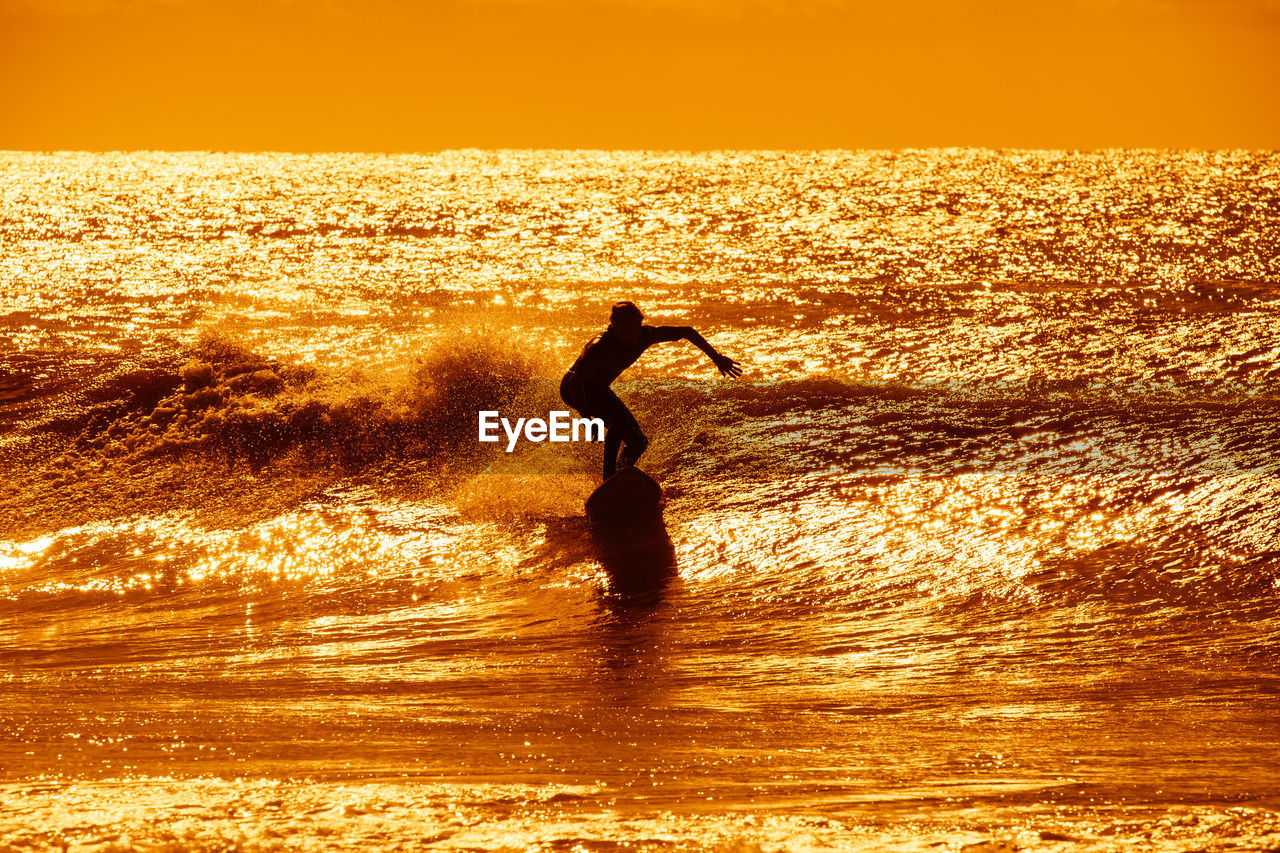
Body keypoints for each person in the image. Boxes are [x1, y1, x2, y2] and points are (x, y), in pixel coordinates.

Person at [560, 301, 741, 480]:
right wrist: (586, 419)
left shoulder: (645, 335)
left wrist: (716, 358)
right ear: (614, 326)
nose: (633, 334)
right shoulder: (600, 347)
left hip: (599, 389)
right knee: (620, 421)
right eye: (628, 329)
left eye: (636, 327)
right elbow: (575, 383)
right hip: (575, 390)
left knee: (639, 442)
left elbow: (687, 332)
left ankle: (619, 477)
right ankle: (608, 477)